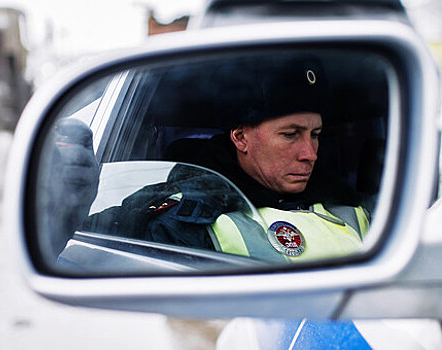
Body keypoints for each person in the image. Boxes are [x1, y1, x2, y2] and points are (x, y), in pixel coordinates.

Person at [42, 57, 369, 264]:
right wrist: (60, 213)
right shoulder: (187, 212)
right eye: (290, 134)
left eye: (315, 134)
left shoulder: (352, 206)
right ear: (240, 137)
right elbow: (112, 227)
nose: (310, 153)